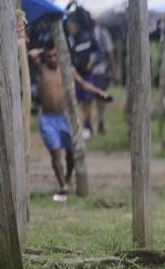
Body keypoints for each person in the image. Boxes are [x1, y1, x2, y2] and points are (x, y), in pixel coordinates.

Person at [29, 38, 111, 201]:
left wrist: (100, 93)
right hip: (47, 118)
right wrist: (44, 52)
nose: (53, 59)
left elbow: (83, 84)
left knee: (71, 153)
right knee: (55, 152)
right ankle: (63, 186)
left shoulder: (67, 70)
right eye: (50, 56)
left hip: (65, 117)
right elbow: (31, 55)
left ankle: (68, 177)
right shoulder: (41, 69)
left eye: (55, 56)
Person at [65, 4, 103, 140]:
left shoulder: (88, 38)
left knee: (87, 101)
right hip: (74, 74)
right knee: (75, 101)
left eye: (72, 25)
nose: (70, 27)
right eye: (69, 25)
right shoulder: (69, 40)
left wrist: (92, 63)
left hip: (86, 74)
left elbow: (100, 52)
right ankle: (77, 126)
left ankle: (87, 126)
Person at [91, 20, 116, 135]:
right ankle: (90, 123)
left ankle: (100, 120)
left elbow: (109, 51)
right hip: (88, 70)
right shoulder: (86, 32)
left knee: (100, 97)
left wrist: (112, 68)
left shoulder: (102, 32)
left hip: (100, 70)